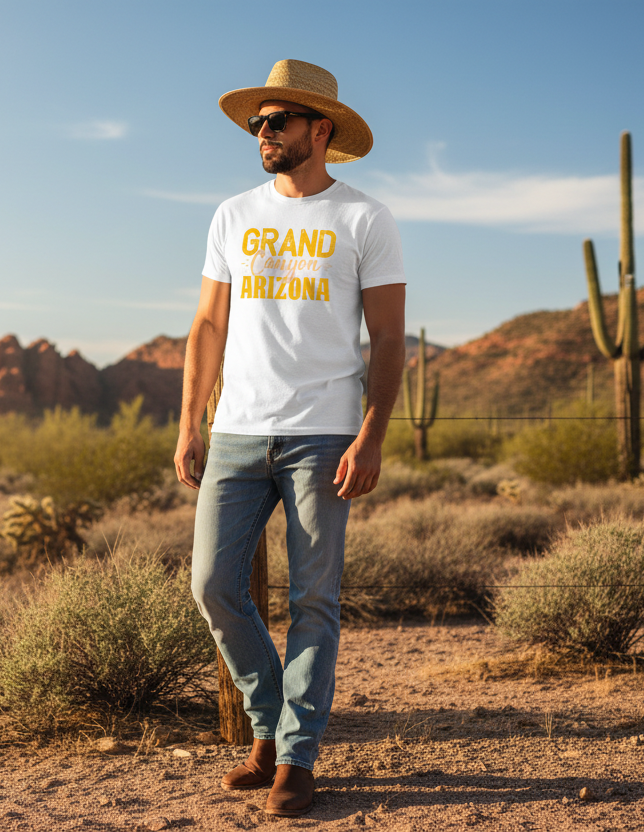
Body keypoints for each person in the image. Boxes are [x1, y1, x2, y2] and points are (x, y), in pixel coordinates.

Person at [175, 59, 407, 818]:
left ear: (321, 130)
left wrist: (371, 433)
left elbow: (389, 337)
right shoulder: (234, 215)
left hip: (324, 433)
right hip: (238, 429)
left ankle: (295, 759)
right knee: (212, 584)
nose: (262, 134)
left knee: (314, 601)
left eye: (276, 122)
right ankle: (272, 726)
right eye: (257, 124)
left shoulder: (364, 219)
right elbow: (209, 325)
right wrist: (190, 420)